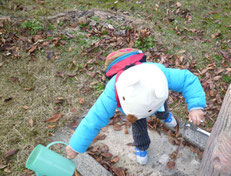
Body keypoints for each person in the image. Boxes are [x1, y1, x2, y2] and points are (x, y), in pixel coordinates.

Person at [65, 49, 206, 165]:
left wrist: (195, 106)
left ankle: (165, 116)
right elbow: (94, 119)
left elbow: (187, 79)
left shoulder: (156, 71)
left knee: (162, 107)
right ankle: (142, 147)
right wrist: (76, 146)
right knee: (139, 129)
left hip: (156, 100)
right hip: (135, 113)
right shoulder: (113, 91)